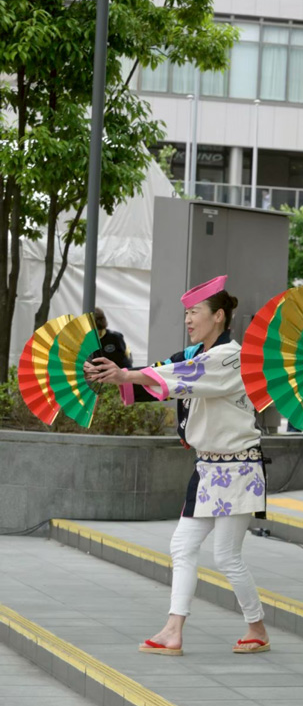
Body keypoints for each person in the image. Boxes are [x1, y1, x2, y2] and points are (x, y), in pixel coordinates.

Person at [83, 275, 270, 656]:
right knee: (182, 546)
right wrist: (110, 374)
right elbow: (162, 372)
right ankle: (173, 630)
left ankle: (257, 627)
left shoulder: (229, 357)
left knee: (227, 556)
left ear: (218, 316)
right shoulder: (195, 355)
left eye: (194, 312)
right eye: (186, 313)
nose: (188, 319)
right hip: (207, 469)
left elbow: (177, 378)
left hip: (238, 470)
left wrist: (129, 375)